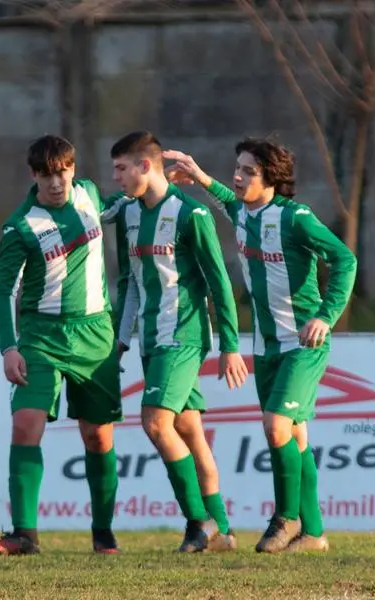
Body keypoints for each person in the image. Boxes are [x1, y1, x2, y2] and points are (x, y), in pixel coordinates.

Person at [163, 139, 357, 553]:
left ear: (271, 178)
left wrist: (326, 315)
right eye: (238, 168)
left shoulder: (295, 218)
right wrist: (199, 176)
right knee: (297, 438)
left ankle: (285, 519)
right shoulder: (243, 213)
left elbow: (345, 259)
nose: (238, 176)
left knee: (275, 426)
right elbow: (223, 200)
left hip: (303, 345)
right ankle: (314, 534)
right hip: (267, 348)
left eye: (249, 171)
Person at [0, 135, 126, 556]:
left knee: (98, 437)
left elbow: (129, 203)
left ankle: (103, 533)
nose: (56, 182)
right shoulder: (21, 224)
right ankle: (24, 534)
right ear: (34, 175)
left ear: (73, 169)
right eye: (46, 174)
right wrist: (9, 348)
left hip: (95, 334)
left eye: (63, 171)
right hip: (41, 338)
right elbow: (1, 293)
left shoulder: (91, 195)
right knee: (26, 424)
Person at [109, 131, 248, 552]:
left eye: (120, 168)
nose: (115, 177)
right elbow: (129, 283)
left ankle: (198, 521)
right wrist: (120, 340)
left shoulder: (191, 215)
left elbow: (219, 282)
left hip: (183, 335)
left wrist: (229, 344)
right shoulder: (129, 215)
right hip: (152, 338)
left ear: (144, 166)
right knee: (189, 429)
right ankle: (222, 531)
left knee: (155, 422)